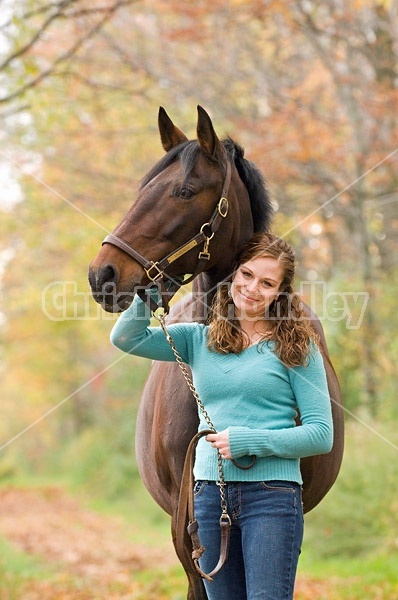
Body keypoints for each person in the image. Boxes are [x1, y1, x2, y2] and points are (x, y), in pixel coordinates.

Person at [110, 232, 333, 600]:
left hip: (273, 497)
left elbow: (321, 434)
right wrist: (150, 297)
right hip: (210, 496)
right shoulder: (199, 340)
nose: (252, 289)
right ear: (234, 276)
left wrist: (250, 441)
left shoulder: (296, 346)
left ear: (280, 292)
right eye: (246, 275)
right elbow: (125, 338)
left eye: (267, 282)